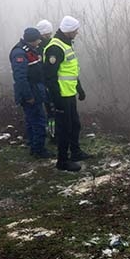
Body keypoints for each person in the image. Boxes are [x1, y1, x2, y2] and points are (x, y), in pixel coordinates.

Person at [43, 16, 92, 172]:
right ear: (69, 31)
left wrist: (79, 89)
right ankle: (62, 161)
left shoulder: (66, 44)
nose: (77, 33)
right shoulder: (55, 48)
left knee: (74, 125)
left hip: (69, 93)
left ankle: (75, 152)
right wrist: (56, 98)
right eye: (76, 30)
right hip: (61, 96)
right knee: (64, 129)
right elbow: (49, 77)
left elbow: (71, 71)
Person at [10, 27, 52, 159]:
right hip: (31, 94)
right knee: (38, 121)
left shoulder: (29, 50)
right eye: (38, 39)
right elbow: (20, 78)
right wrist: (28, 96)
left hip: (36, 91)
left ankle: (35, 147)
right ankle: (39, 150)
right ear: (32, 40)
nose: (40, 42)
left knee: (32, 120)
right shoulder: (19, 53)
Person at [36, 19, 56, 144]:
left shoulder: (53, 45)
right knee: (50, 111)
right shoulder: (37, 48)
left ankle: (55, 133)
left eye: (49, 34)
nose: (48, 36)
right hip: (43, 84)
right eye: (45, 35)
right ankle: (53, 135)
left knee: (54, 111)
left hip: (53, 83)